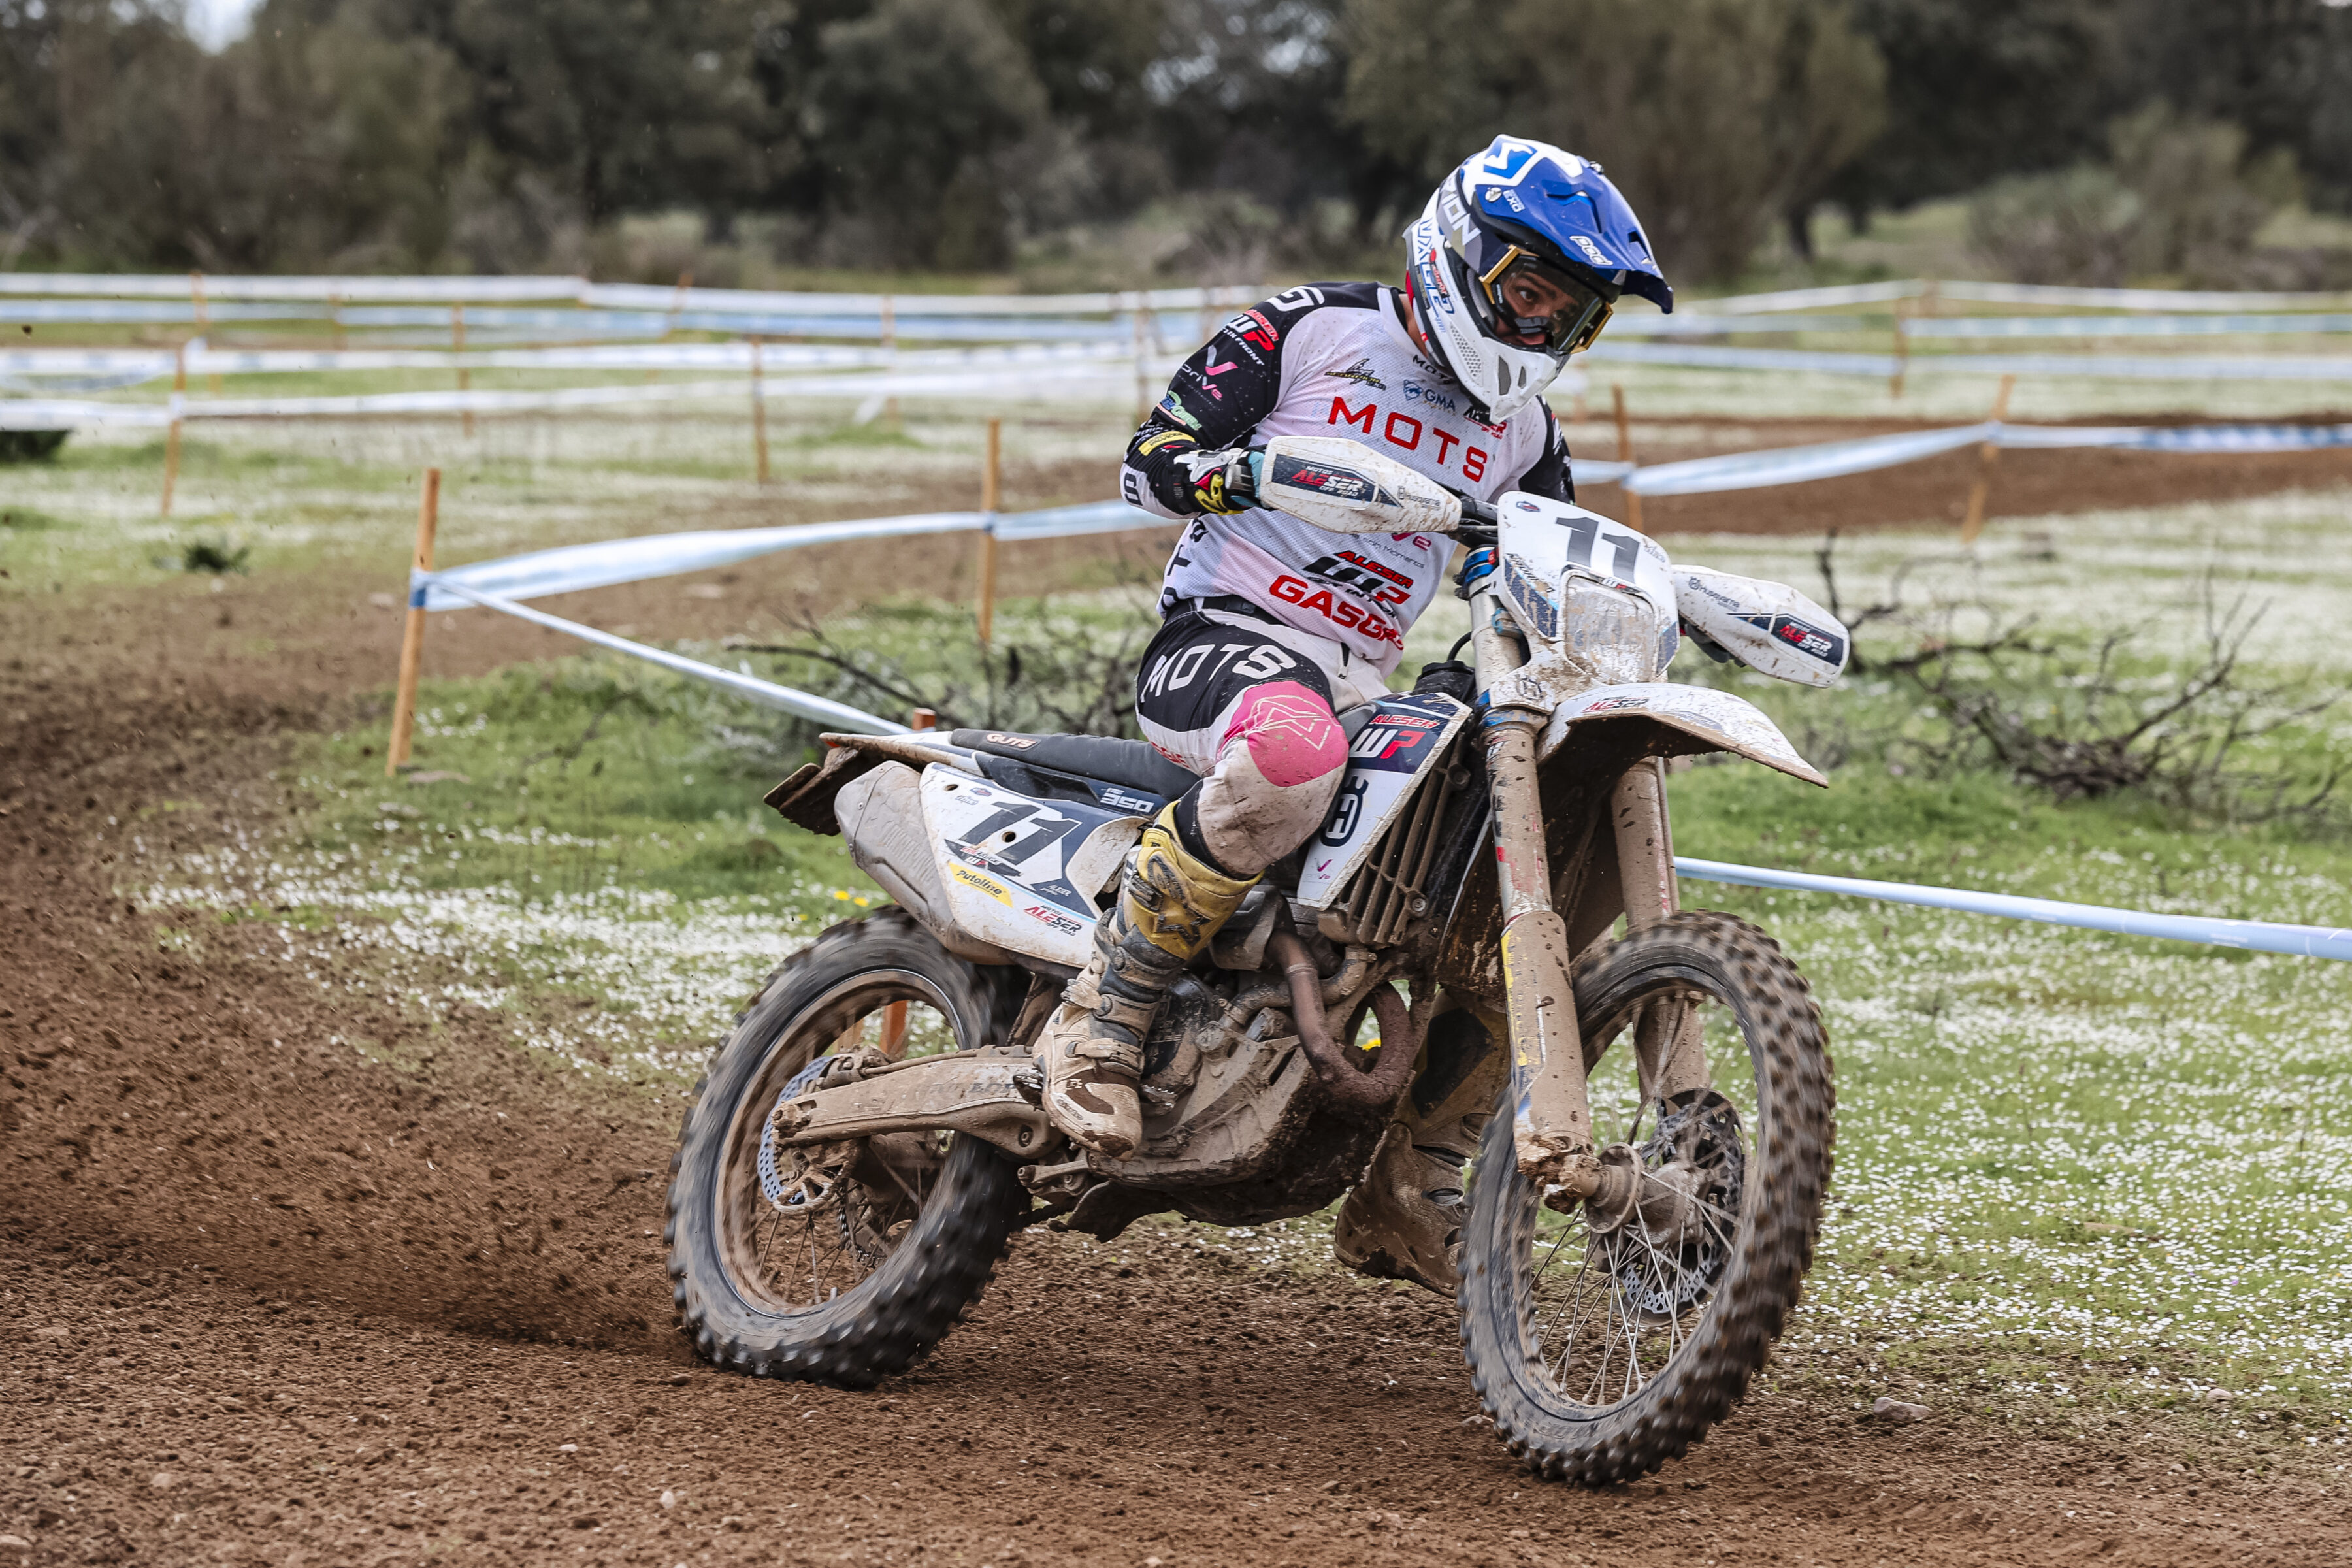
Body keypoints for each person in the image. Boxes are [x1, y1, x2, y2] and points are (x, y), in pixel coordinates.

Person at [1037, 135, 1673, 1291]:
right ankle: (1101, 1018)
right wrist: (1253, 473)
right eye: (1530, 292)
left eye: (1571, 315)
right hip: (1223, 634)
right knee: (1295, 753)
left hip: (1361, 678)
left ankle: (1414, 1184)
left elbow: (1554, 584)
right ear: (1462, 255)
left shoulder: (1529, 438)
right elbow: (1149, 459)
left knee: (1522, 874)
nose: (1543, 327)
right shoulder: (1313, 328)